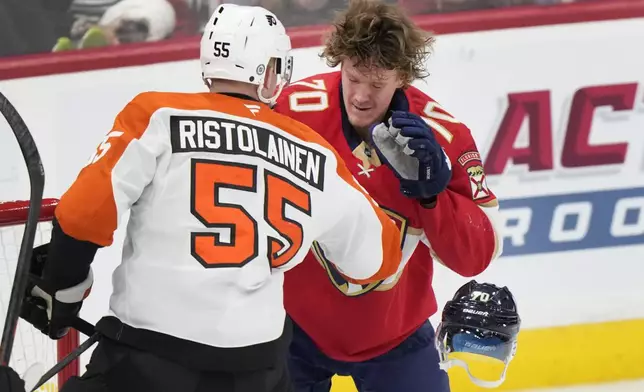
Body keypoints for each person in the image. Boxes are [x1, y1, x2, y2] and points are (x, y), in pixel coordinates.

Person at [15, 4, 420, 392]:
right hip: (259, 372)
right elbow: (375, 261)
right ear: (269, 72)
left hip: (148, 362)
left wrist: (62, 289)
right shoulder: (315, 150)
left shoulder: (156, 114)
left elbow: (83, 215)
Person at [272, 0, 504, 391]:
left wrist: (433, 196)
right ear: (340, 63)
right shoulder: (288, 114)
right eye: (353, 76)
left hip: (394, 334)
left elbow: (476, 257)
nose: (361, 96)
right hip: (294, 330)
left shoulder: (445, 138)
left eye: (377, 84)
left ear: (403, 77)